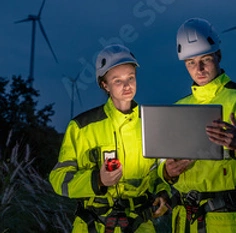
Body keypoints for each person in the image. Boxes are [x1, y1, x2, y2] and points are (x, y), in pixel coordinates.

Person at [159, 18, 236, 233]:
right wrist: (167, 172)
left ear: (219, 55)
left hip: (228, 220)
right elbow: (162, 161)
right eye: (190, 63)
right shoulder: (179, 107)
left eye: (205, 59)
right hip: (184, 220)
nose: (199, 69)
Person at [50, 44, 170, 233]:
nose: (127, 86)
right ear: (104, 85)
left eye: (131, 78)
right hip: (93, 225)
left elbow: (157, 173)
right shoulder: (82, 127)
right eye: (117, 81)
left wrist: (164, 193)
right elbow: (59, 179)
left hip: (139, 225)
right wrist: (97, 179)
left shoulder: (151, 124)